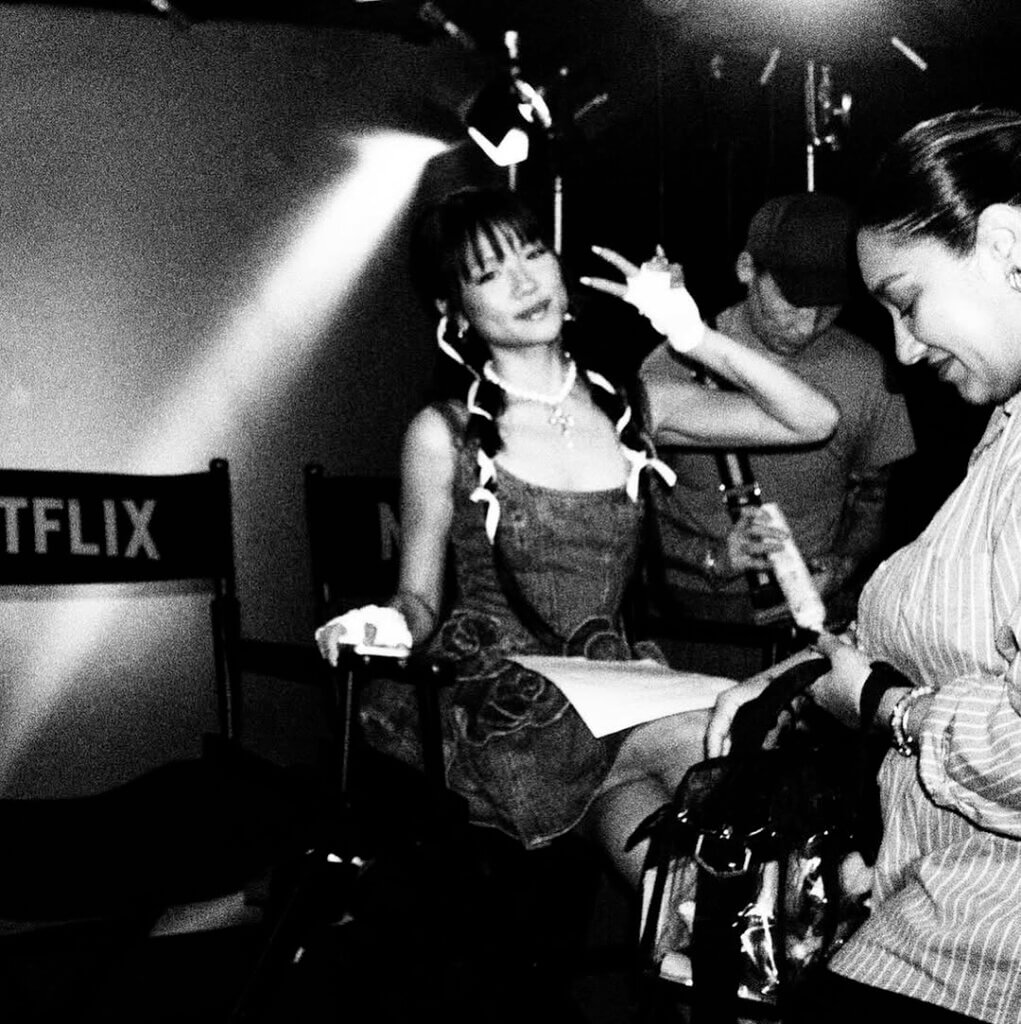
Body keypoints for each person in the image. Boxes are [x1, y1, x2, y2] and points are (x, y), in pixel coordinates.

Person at [314, 185, 838, 888]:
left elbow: (813, 420)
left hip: (613, 691)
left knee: (681, 900)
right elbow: (419, 601)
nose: (524, 282)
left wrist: (692, 336)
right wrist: (382, 624)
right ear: (453, 310)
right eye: (490, 273)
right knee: (730, 725)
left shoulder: (629, 406)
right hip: (507, 705)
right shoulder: (444, 433)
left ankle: (738, 943)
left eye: (533, 254)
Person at [708, 107, 1021, 1023]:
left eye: (906, 300)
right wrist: (814, 673)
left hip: (976, 957)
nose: (904, 349)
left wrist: (883, 705)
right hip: (926, 912)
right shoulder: (1005, 424)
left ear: (1004, 245)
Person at [640, 192, 916, 677]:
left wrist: (845, 563)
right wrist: (713, 558)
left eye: (829, 303)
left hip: (813, 629)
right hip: (693, 626)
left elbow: (874, 497)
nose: (808, 322)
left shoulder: (866, 372)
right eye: (794, 298)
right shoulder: (671, 367)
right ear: (747, 268)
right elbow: (631, 517)